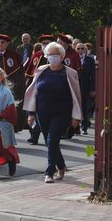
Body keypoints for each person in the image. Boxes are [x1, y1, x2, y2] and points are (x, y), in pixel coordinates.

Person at [24, 42, 82, 183]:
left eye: (56, 54)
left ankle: (50, 172)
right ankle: (61, 166)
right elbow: (34, 93)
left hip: (62, 112)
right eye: (50, 55)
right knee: (51, 142)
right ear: (46, 56)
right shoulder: (41, 70)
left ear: (62, 56)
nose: (53, 57)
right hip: (43, 111)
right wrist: (31, 114)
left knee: (52, 140)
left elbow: (77, 96)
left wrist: (76, 117)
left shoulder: (70, 73)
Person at [0, 34, 25, 132]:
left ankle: (10, 129)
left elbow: (19, 75)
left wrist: (18, 89)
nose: (0, 44)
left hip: (8, 87)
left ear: (7, 43)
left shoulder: (15, 56)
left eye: (3, 42)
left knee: (7, 109)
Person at [24, 34, 54, 145]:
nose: (45, 45)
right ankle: (34, 136)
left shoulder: (56, 56)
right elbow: (29, 72)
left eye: (47, 43)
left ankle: (49, 136)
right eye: (44, 43)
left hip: (50, 89)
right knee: (32, 111)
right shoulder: (37, 55)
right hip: (36, 87)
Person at [76, 43, 96, 134]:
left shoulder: (90, 60)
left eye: (82, 49)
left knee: (85, 107)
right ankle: (75, 127)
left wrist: (93, 89)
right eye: (78, 48)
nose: (80, 50)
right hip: (75, 86)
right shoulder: (73, 59)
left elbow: (93, 76)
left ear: (85, 50)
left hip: (85, 87)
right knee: (75, 106)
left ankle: (84, 127)